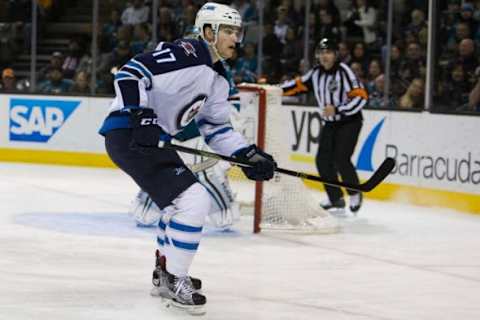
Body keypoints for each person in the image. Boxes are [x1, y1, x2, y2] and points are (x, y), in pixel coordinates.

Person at [98, 2, 276, 314]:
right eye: (229, 31)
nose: (236, 37)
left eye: (238, 31)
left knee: (179, 203)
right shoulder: (188, 53)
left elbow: (216, 128)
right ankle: (174, 279)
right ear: (208, 31)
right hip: (129, 133)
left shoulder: (219, 78)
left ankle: (166, 274)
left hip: (149, 140)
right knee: (194, 200)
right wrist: (141, 114)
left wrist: (247, 154)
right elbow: (129, 73)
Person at [280, 38, 367, 214]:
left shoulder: (345, 72)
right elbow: (297, 85)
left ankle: (354, 192)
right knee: (322, 161)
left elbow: (360, 96)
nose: (324, 56)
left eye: (328, 52)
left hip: (350, 121)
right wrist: (274, 89)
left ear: (335, 54)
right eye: (321, 53)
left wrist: (337, 109)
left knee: (341, 159)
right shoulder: (316, 73)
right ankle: (336, 198)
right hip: (331, 123)